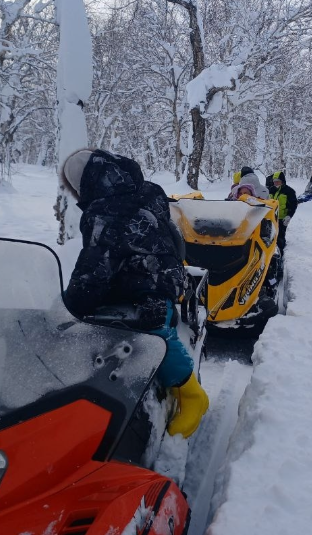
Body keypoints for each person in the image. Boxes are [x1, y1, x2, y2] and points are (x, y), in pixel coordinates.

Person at [61, 148, 208, 438]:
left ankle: (190, 392)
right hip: (160, 277)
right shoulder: (145, 189)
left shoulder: (105, 212)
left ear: (85, 183)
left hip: (146, 288)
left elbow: (95, 269)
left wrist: (67, 306)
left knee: (153, 332)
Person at [269, 171, 297, 255]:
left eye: (278, 181)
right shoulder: (271, 190)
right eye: (274, 181)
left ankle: (280, 254)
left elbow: (293, 205)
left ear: (282, 181)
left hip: (282, 218)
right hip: (271, 217)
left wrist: (289, 216)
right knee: (270, 236)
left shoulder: (289, 191)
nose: (276, 183)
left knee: (280, 237)